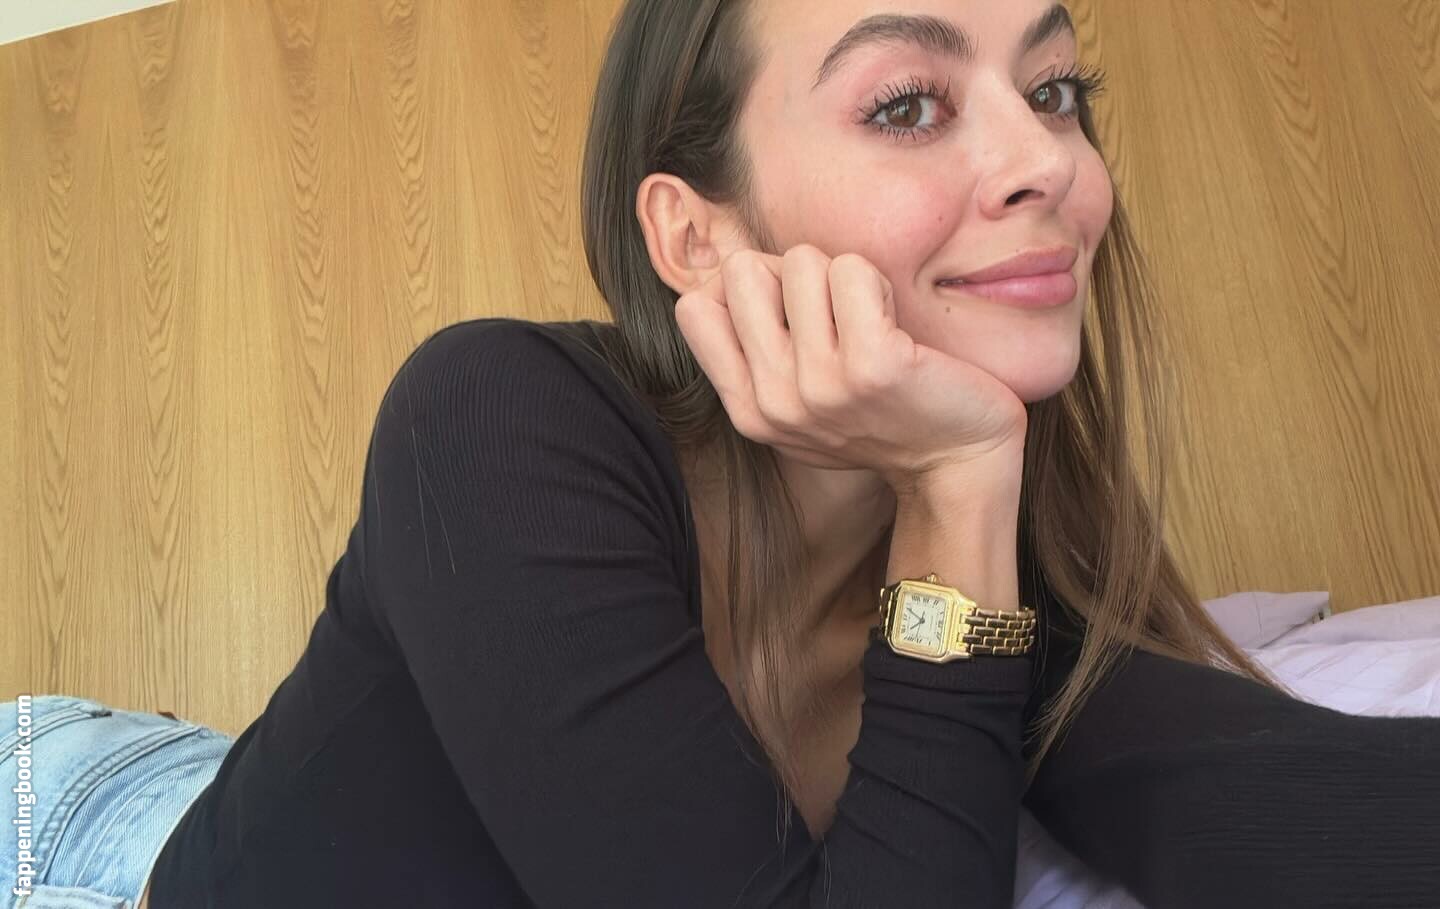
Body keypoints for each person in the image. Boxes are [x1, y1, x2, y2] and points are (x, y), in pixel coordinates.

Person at [5, 1, 1439, 907]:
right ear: (697, 235)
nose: (1050, 164)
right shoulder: (495, 420)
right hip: (81, 834)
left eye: (1056, 88)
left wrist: (962, 497)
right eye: (908, 103)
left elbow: (1285, 809)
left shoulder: (1006, 572)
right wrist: (953, 491)